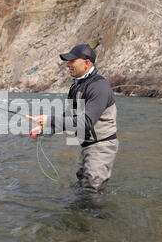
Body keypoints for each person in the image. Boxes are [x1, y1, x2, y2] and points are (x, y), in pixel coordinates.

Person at [28, 44, 118, 192]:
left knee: (91, 193)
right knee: (83, 188)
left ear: (87, 63)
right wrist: (46, 129)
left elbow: (86, 122)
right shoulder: (77, 86)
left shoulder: (99, 87)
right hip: (87, 145)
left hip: (101, 146)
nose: (68, 65)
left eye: (72, 61)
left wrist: (49, 119)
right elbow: (70, 116)